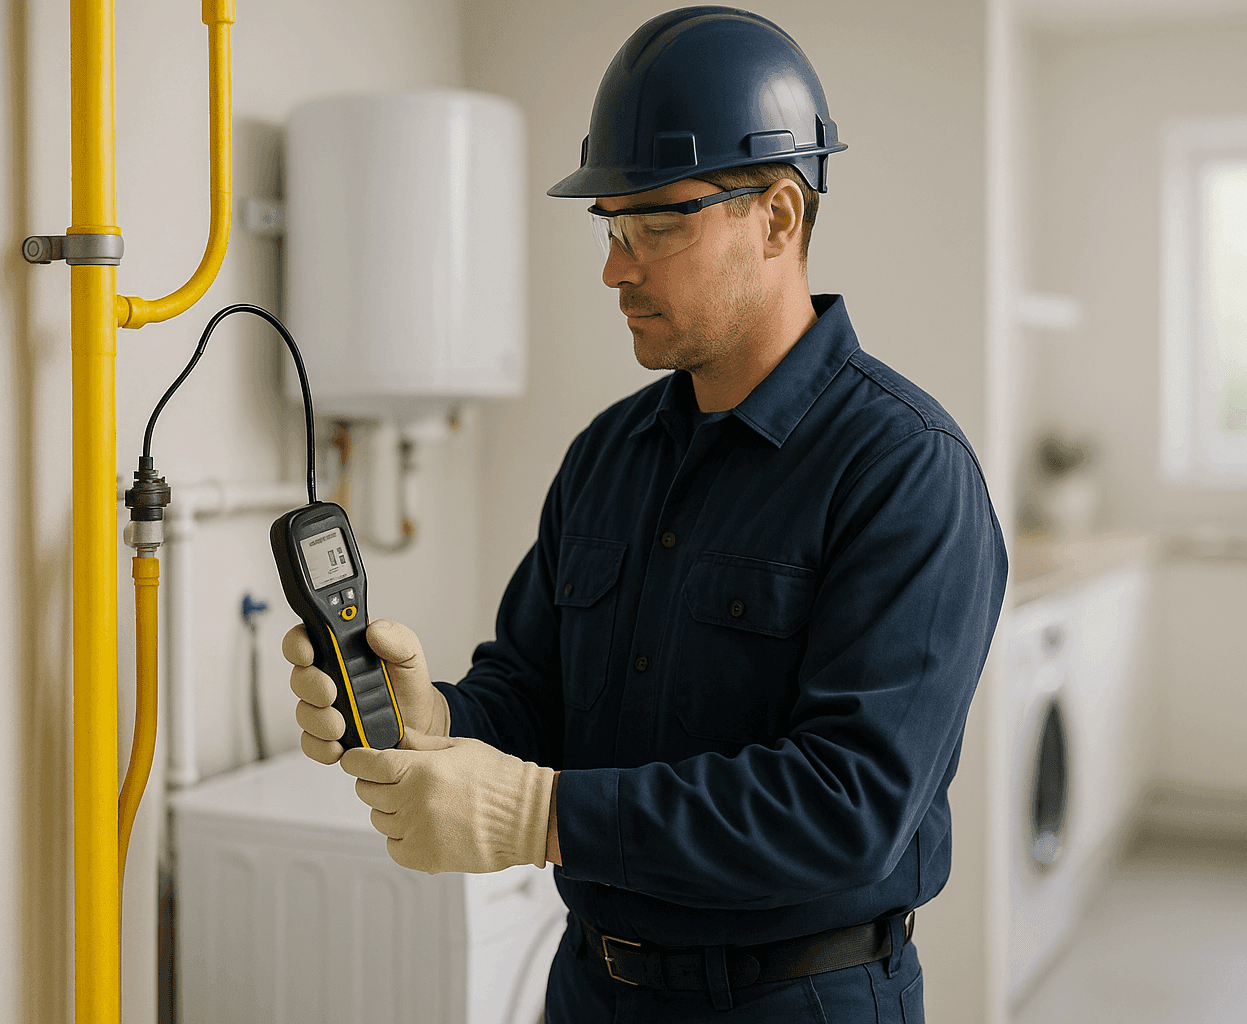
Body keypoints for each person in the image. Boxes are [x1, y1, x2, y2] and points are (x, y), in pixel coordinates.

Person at [283, 7, 1007, 1021]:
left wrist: (542, 815)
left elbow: (848, 806)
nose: (617, 268)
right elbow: (536, 694)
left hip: (799, 1000)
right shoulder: (608, 455)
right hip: (592, 986)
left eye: (658, 226)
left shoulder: (905, 471)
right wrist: (438, 718)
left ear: (779, 218)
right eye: (612, 227)